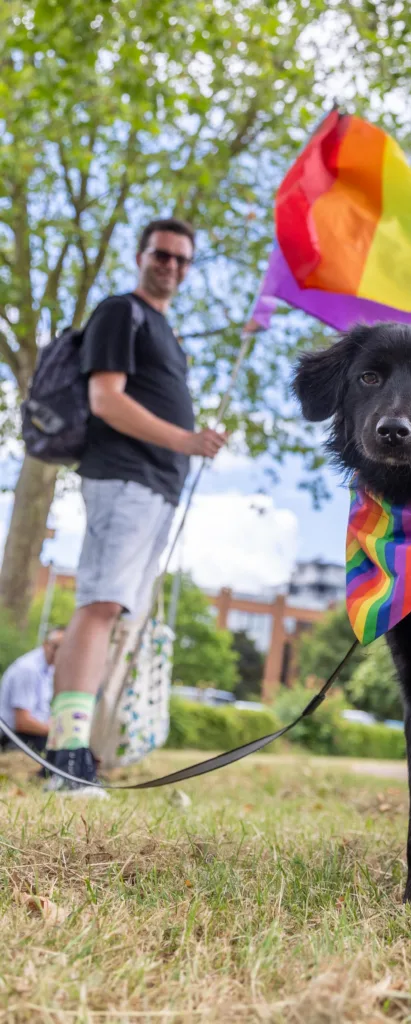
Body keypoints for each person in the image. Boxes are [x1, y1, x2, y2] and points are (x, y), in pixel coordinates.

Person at [45, 217, 226, 795]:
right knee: (98, 605)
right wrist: (186, 441)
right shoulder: (121, 312)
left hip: (156, 490)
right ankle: (64, 756)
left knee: (115, 611)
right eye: (161, 254)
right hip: (123, 479)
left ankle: (82, 752)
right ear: (140, 254)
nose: (170, 265)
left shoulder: (167, 332)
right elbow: (105, 399)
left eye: (181, 259)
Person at [0, 630, 64, 753]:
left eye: (64, 649)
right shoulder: (28, 670)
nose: (59, 653)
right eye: (56, 647)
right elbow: (22, 723)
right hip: (14, 737)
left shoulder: (47, 669)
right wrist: (56, 731)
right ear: (45, 644)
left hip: (33, 733)